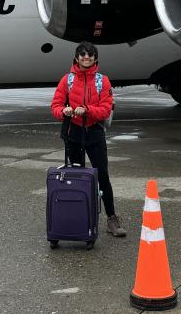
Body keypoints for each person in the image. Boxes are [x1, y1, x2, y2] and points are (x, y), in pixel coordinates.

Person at [51, 42, 127, 237]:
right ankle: (75, 217)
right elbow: (55, 106)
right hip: (74, 133)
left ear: (95, 58)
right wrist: (64, 111)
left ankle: (112, 218)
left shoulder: (103, 81)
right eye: (82, 54)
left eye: (90, 54)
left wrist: (88, 110)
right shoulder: (67, 80)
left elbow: (105, 109)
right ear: (76, 58)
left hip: (94, 132)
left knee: (102, 176)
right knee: (75, 176)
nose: (86, 57)